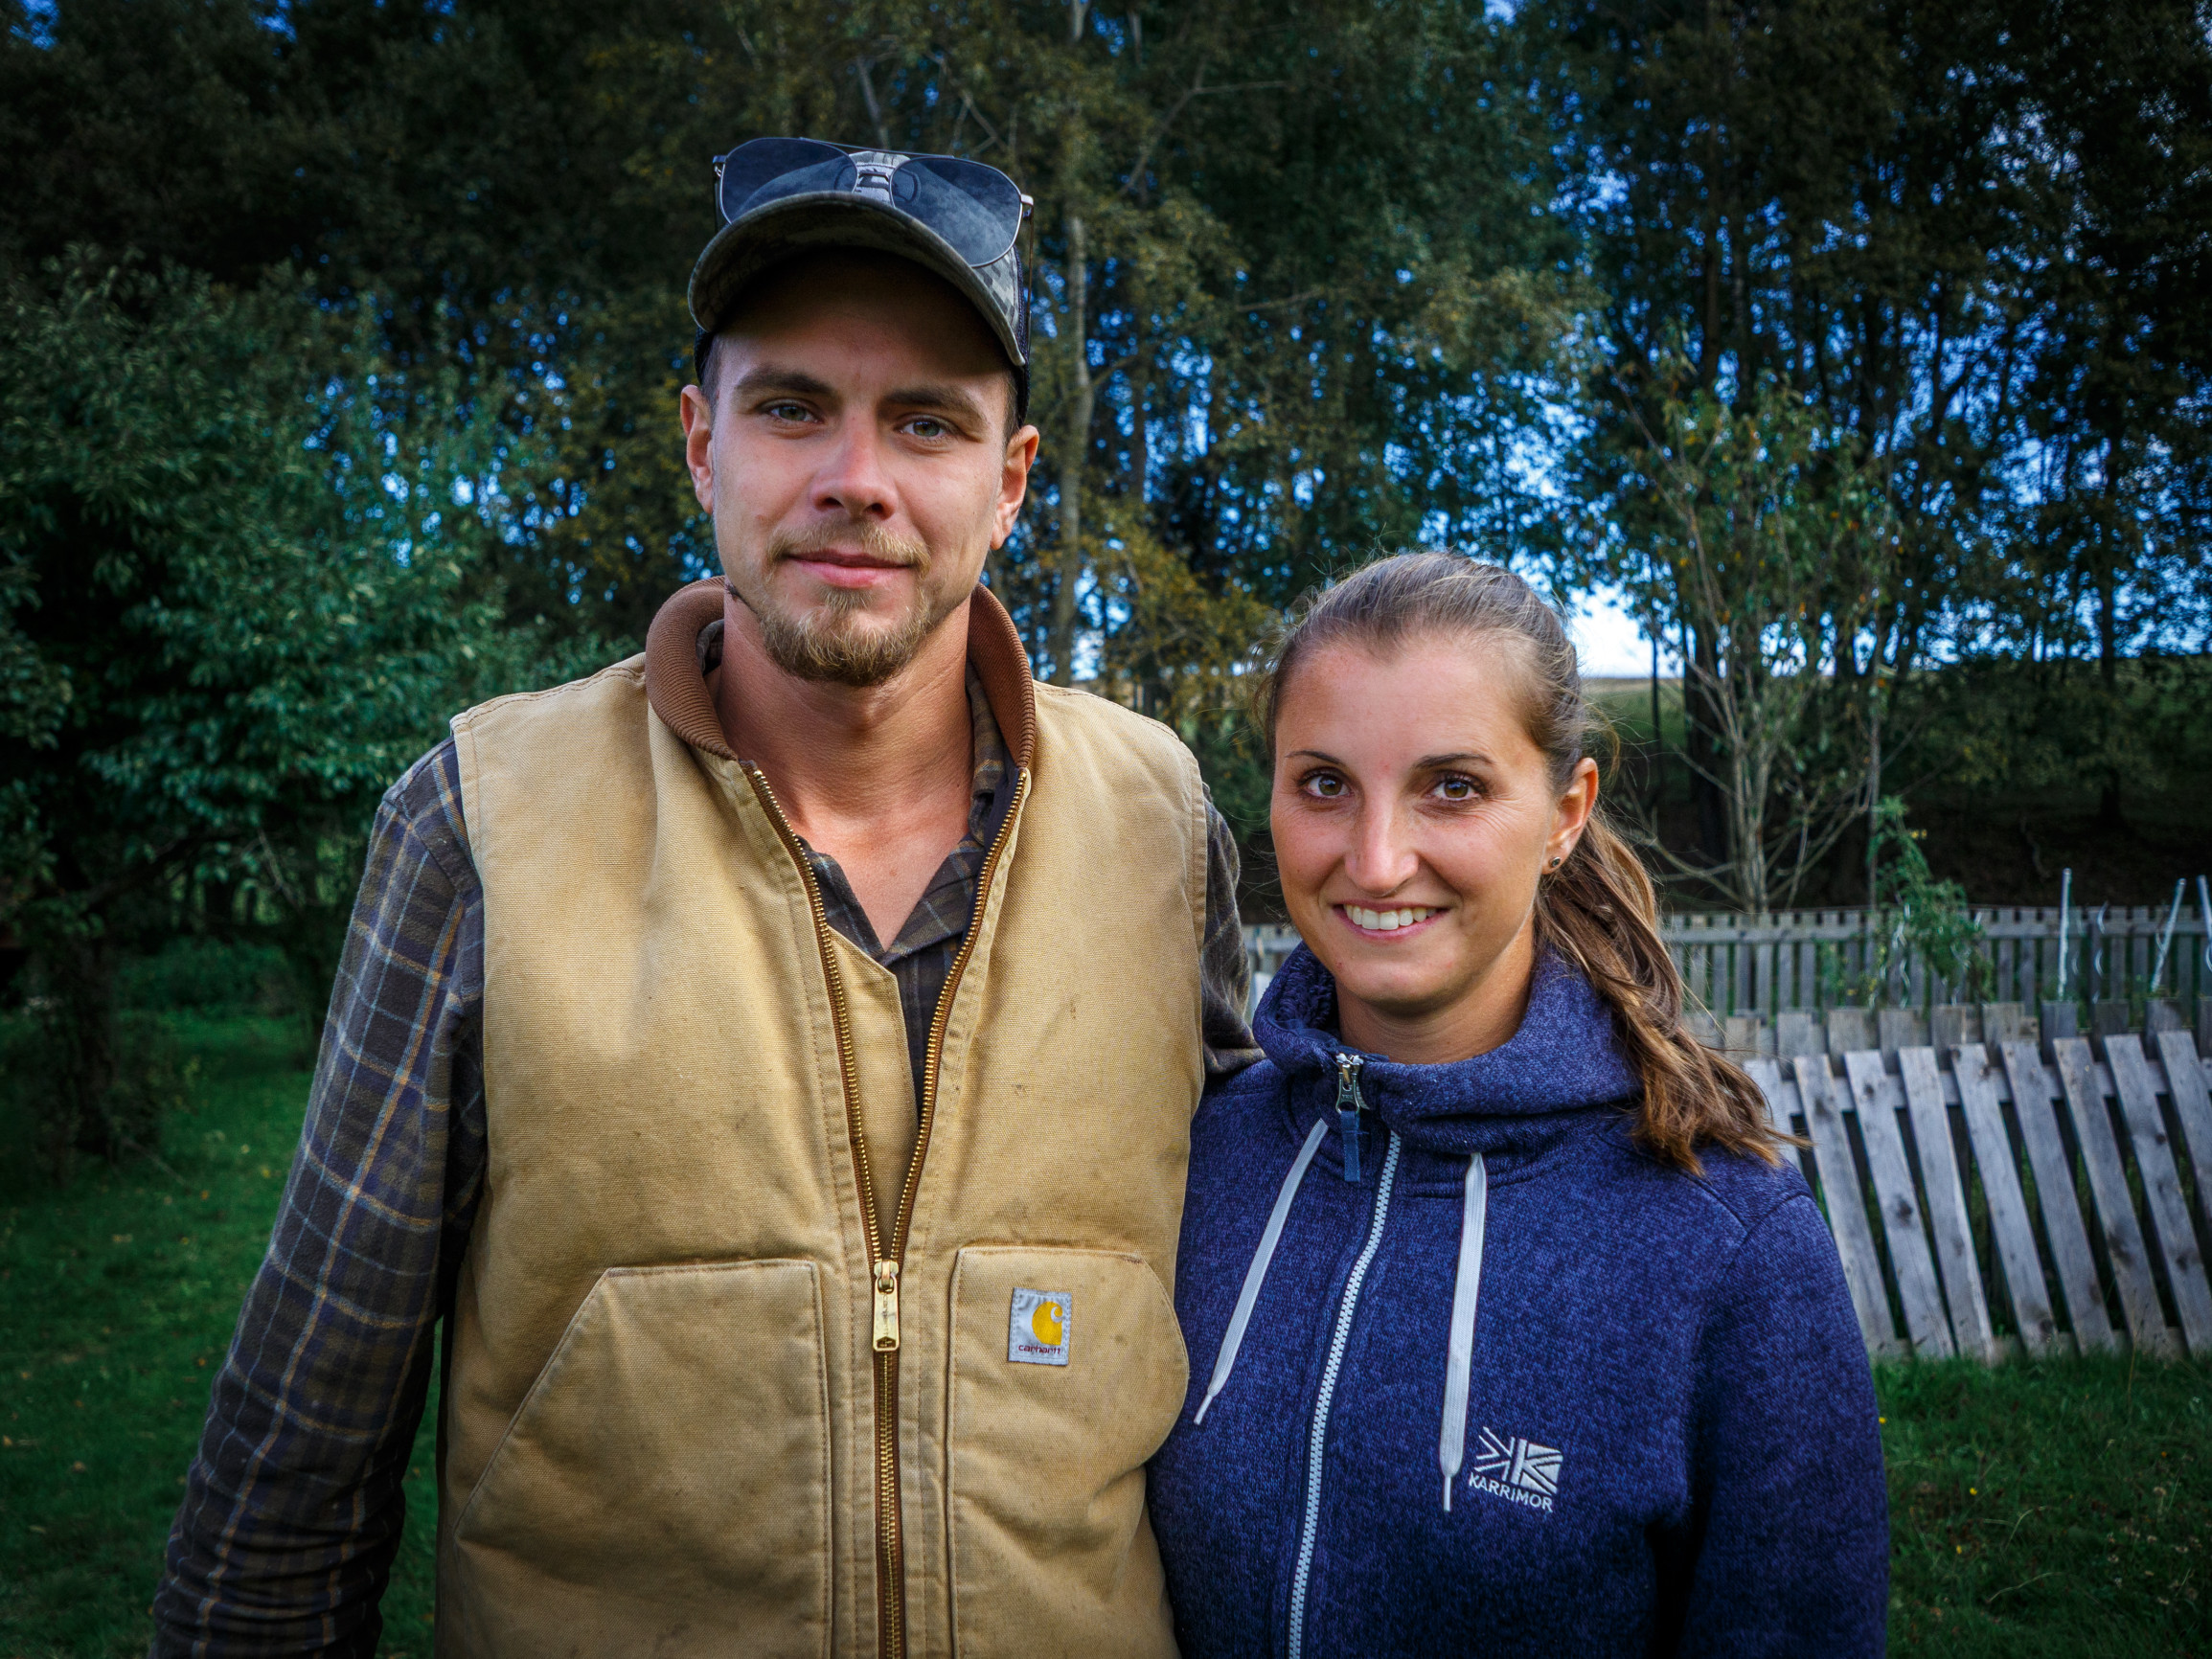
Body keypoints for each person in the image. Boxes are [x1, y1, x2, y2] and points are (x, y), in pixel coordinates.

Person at [152, 136, 1256, 1658]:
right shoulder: (480, 821)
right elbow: (295, 1463)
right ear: (700, 442)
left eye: (924, 423)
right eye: (791, 406)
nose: (854, 480)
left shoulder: (1158, 822)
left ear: (1008, 484)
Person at [1148, 552, 1887, 1657]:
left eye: (1453, 785)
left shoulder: (1729, 1245)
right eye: (1323, 782)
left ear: (1564, 811)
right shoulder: (1196, 1160)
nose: (1377, 856)